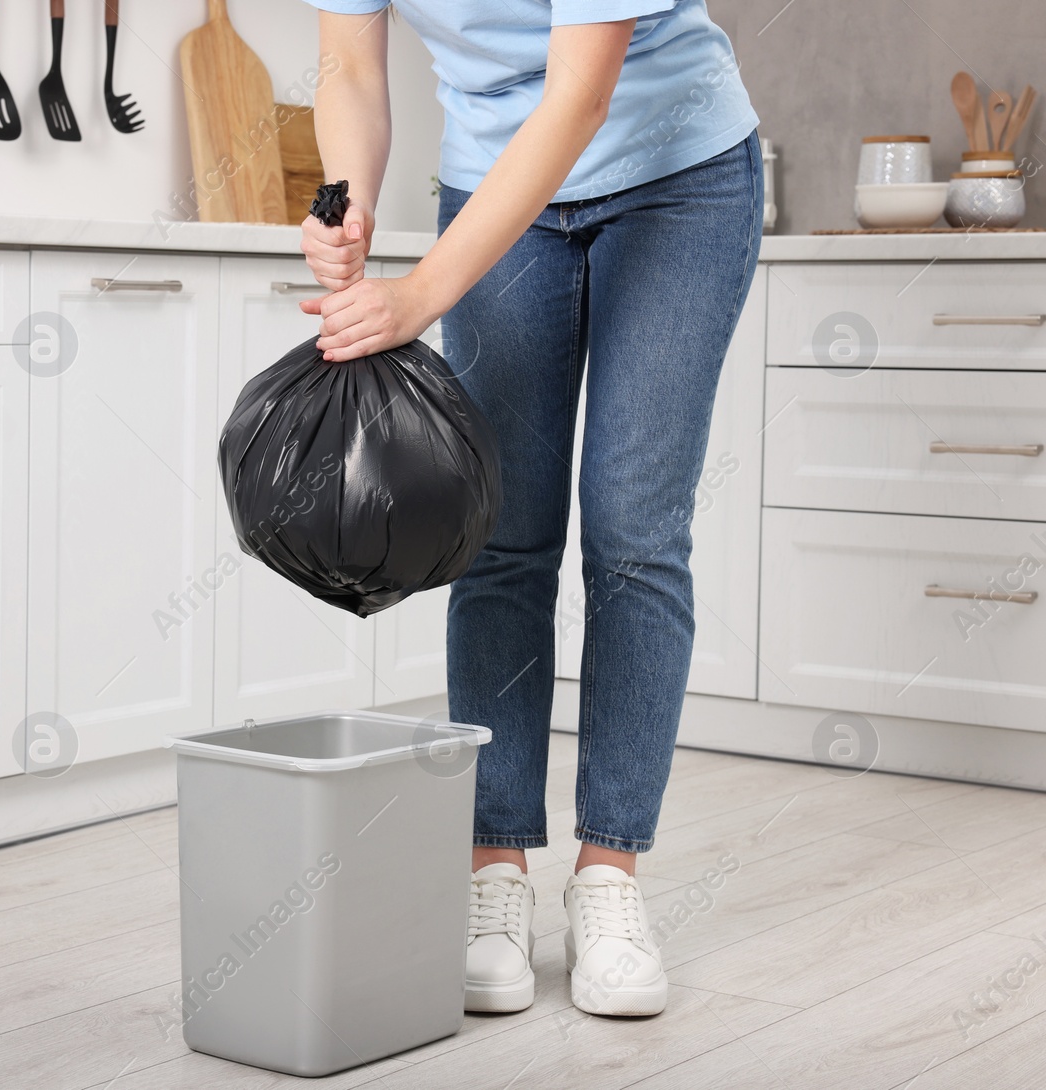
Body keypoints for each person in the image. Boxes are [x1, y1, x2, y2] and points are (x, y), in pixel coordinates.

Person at [296, 0, 761, 1017]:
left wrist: (418, 294)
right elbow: (350, 67)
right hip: (494, 185)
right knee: (499, 534)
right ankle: (493, 872)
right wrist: (344, 202)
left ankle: (608, 875)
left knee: (635, 533)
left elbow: (580, 95)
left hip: (675, 179)